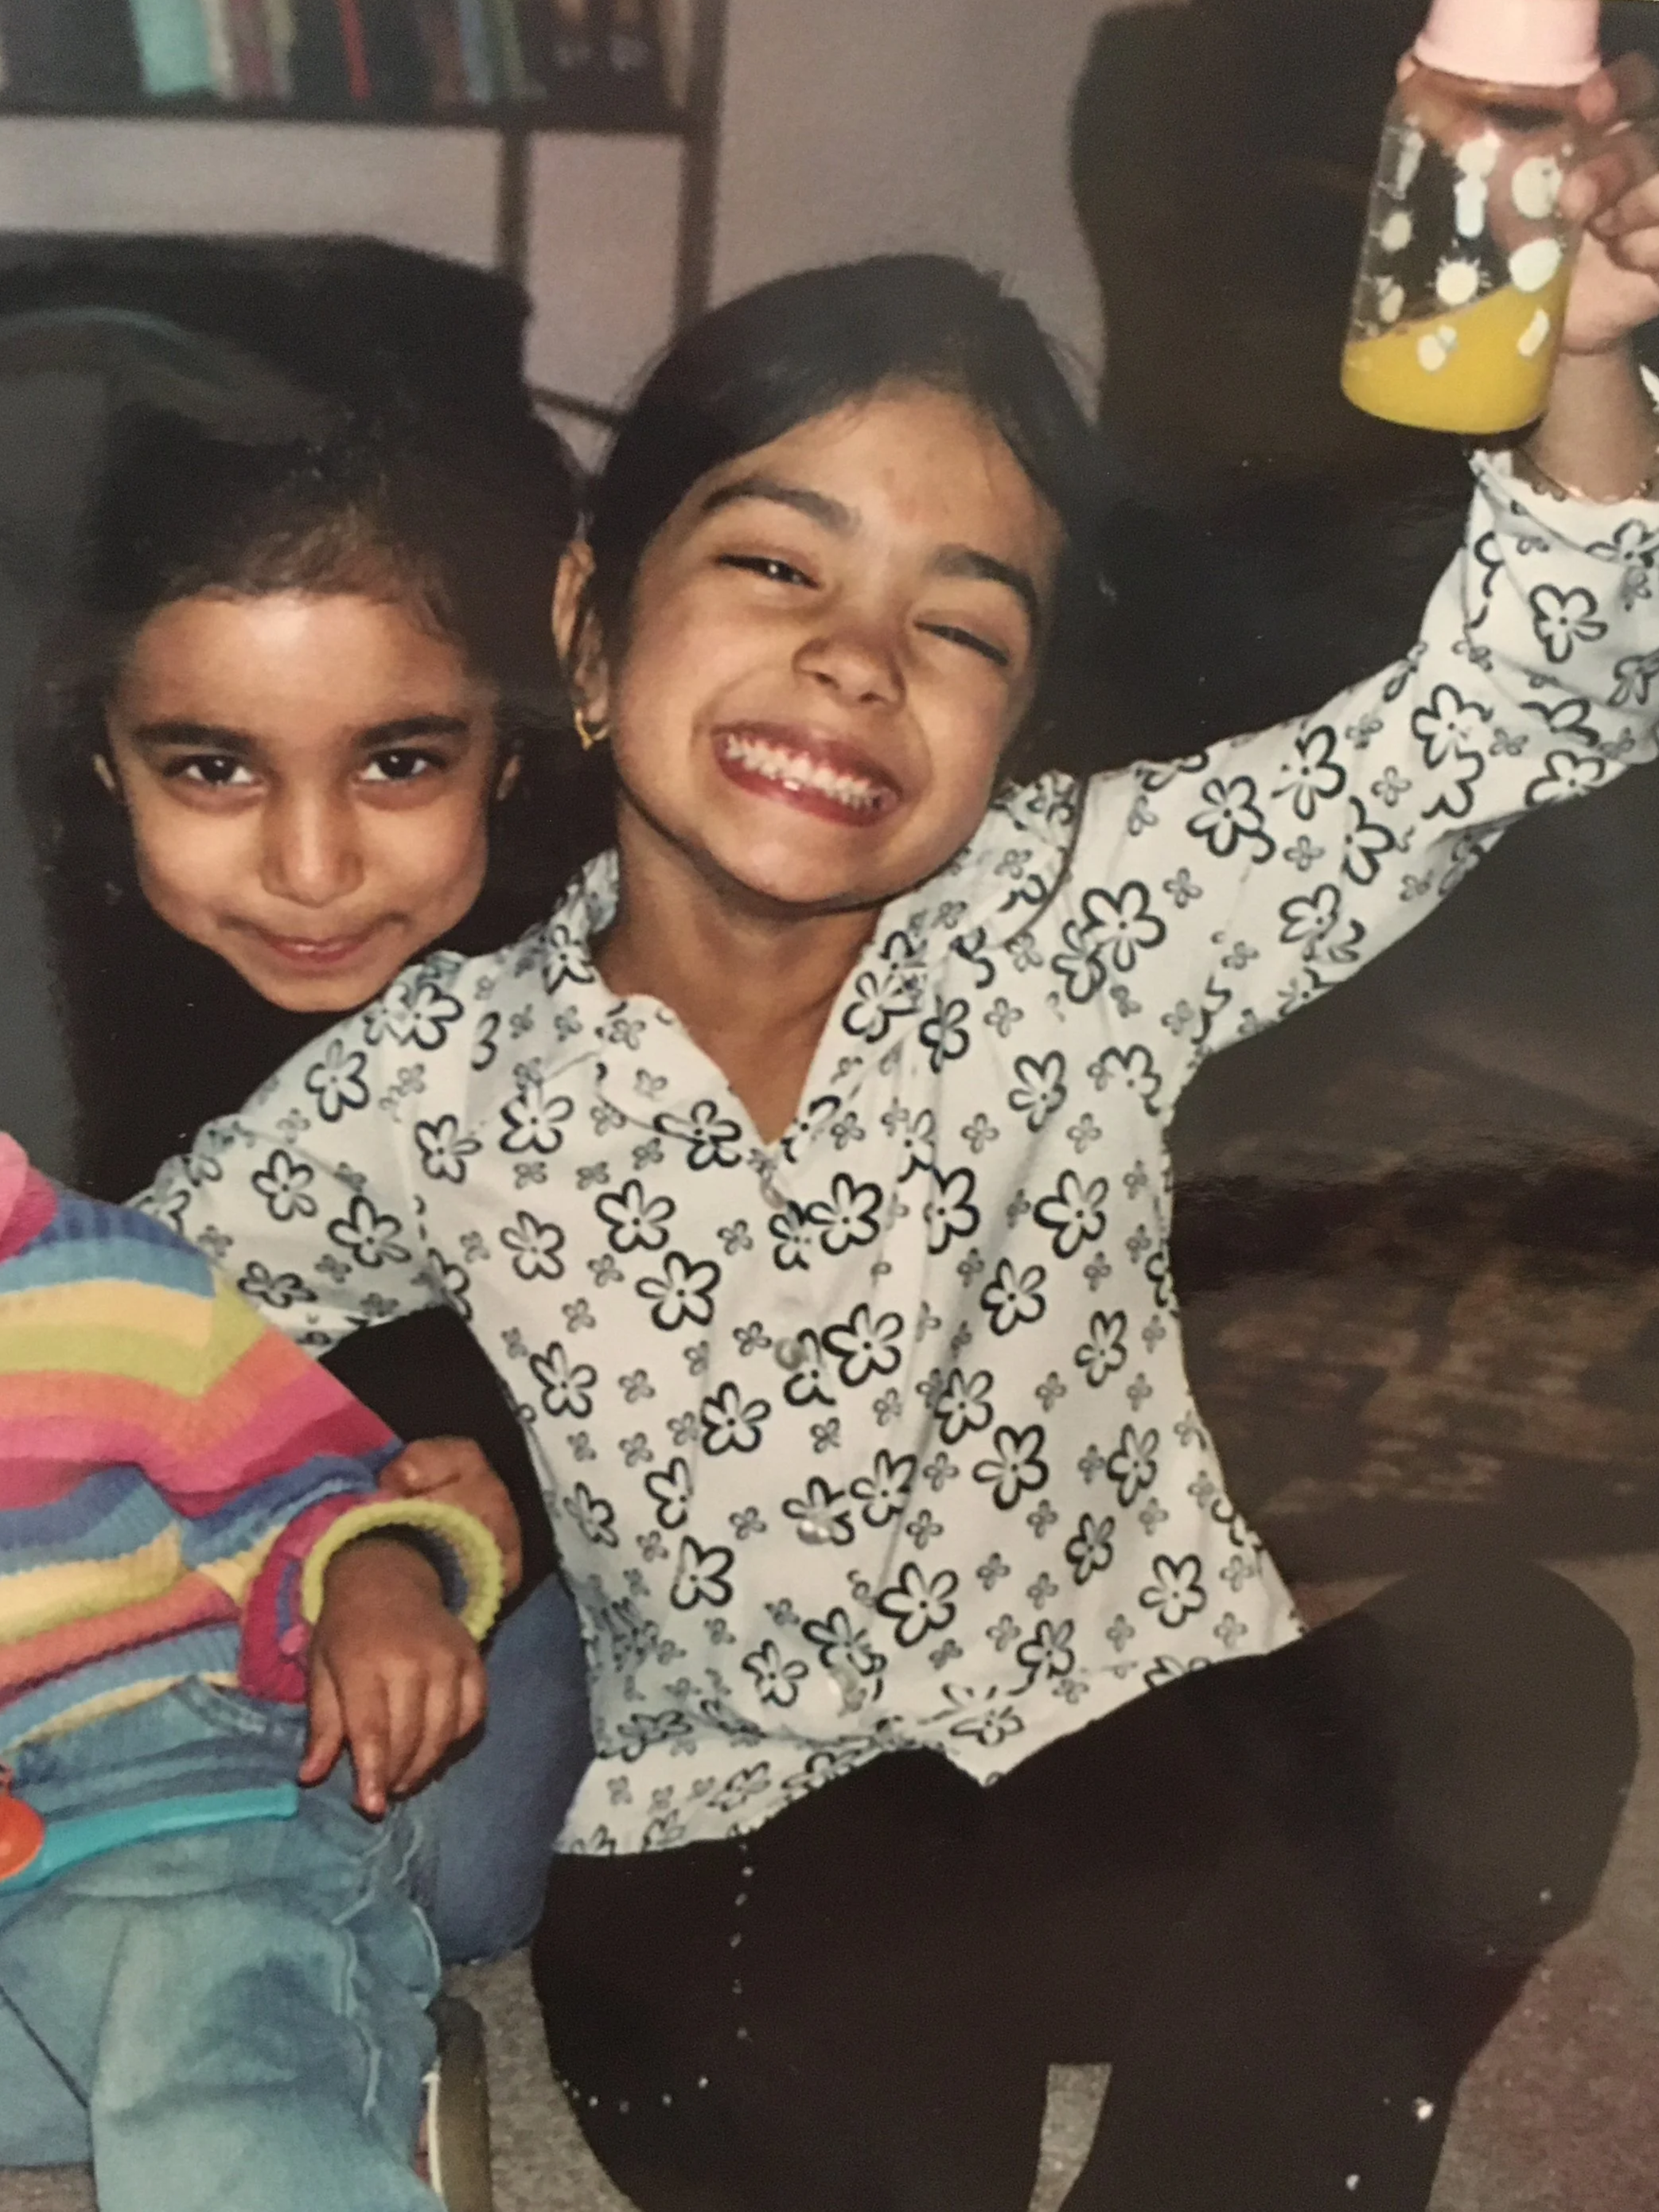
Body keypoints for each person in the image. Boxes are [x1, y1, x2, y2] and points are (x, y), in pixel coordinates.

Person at [133, 49, 1659, 2210]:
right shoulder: (437, 1081)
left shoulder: (1083, 915)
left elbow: (1502, 712)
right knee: (808, 1964)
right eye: (778, 565)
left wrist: (1581, 355)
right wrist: (362, 1527)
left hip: (1143, 1774)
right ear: (589, 623)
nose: (860, 661)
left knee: (1521, 1661)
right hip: (748, 1851)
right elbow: (115, 1324)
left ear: (1013, 726)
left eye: (958, 624)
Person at [19, 400, 596, 1962]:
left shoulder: (578, 980)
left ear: (507, 748)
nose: (313, 868)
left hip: (442, 1513)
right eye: (214, 768)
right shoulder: (58, 988)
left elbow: (575, 1371)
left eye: (399, 762)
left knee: (452, 1869)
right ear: (103, 752)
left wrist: (409, 1543)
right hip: (96, 1532)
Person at [0, 1130, 503, 2210]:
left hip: (163, 1781)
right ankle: (333, 2053)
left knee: (203, 2060)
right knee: (146, 2041)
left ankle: (285, 2101)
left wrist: (377, 1579)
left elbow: (321, 1488)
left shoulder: (110, 1283)